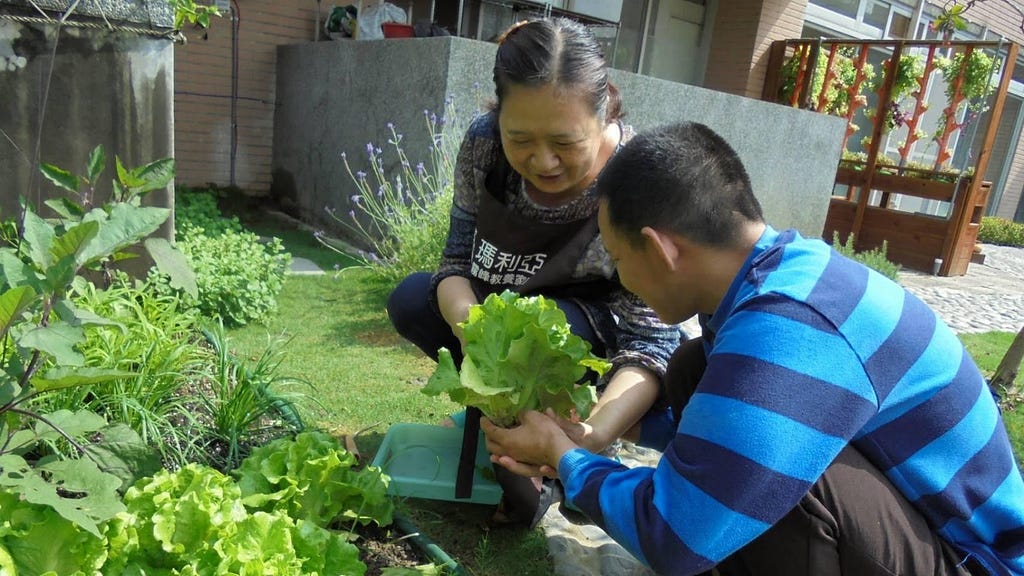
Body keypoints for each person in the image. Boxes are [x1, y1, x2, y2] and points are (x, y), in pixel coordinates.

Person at [481, 121, 1024, 575]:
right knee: (693, 368)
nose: (620, 278)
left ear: (661, 249)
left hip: (971, 562)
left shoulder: (793, 324)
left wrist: (564, 458)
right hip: (917, 526)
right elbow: (720, 430)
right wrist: (605, 432)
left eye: (619, 259)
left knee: (771, 483)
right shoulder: (778, 275)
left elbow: (673, 536)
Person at [386, 18, 682, 525]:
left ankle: (559, 439)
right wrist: (477, 335)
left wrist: (590, 437)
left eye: (565, 142)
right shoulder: (483, 144)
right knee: (413, 299)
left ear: (603, 116)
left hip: (588, 345)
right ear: (498, 116)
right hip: (499, 317)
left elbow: (650, 343)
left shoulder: (638, 178)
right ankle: (500, 419)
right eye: (519, 138)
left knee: (547, 332)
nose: (542, 161)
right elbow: (455, 263)